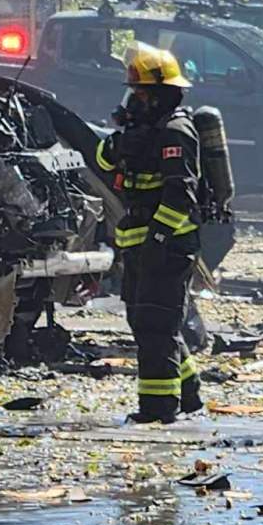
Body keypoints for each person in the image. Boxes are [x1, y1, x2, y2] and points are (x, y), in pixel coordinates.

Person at [94, 45, 205, 423]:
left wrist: (158, 239)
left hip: (168, 244)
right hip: (140, 243)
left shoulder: (175, 133)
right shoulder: (141, 131)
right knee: (148, 323)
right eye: (133, 94)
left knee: (157, 325)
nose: (135, 100)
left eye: (140, 94)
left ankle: (158, 409)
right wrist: (123, 134)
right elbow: (103, 161)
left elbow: (180, 196)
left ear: (160, 95)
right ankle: (189, 395)